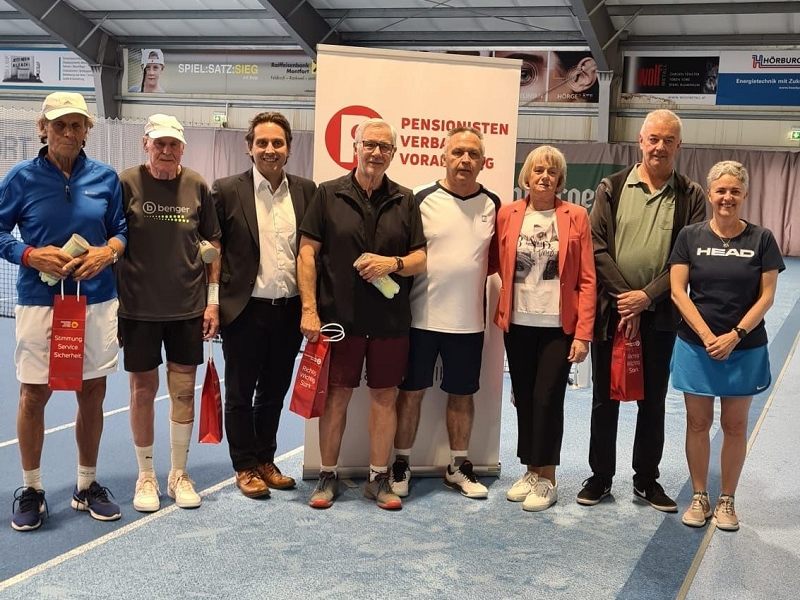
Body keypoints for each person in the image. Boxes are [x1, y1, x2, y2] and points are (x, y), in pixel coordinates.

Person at [0, 92, 127, 531]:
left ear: (88, 130)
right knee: (34, 395)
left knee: (92, 392)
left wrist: (108, 252)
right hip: (40, 303)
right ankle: (32, 489)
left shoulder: (107, 179)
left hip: (96, 302)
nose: (69, 133)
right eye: (60, 125)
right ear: (43, 128)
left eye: (77, 125)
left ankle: (86, 485)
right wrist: (29, 254)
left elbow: (122, 232)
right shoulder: (20, 178)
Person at [579, 109, 706, 512]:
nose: (660, 146)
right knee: (605, 397)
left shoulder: (692, 195)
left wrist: (647, 298)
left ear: (679, 145)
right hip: (612, 311)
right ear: (640, 140)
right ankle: (600, 477)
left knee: (652, 401)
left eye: (668, 140)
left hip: (662, 315)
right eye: (654, 138)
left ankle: (646, 480)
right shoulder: (611, 187)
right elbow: (596, 247)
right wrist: (625, 298)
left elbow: (688, 257)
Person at [297, 118, 426, 510]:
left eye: (385, 147)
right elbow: (306, 254)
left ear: (393, 154)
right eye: (370, 144)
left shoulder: (405, 199)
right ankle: (327, 475)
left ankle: (378, 479)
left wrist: (393, 263)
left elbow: (421, 258)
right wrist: (309, 310)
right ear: (356, 148)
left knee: (385, 397)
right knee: (335, 397)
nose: (376, 153)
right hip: (338, 321)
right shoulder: (327, 194)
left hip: (389, 322)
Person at [669, 161, 784, 531]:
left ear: (745, 195)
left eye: (735, 191)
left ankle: (727, 499)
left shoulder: (762, 239)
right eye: (721, 190)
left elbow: (766, 297)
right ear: (709, 193)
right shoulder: (690, 236)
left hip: (744, 348)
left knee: (735, 425)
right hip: (696, 346)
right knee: (698, 422)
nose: (727, 197)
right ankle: (700, 496)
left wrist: (734, 335)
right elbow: (677, 291)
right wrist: (706, 337)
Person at [117, 114, 221, 513]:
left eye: (173, 144)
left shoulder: (197, 185)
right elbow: (113, 238)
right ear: (145, 144)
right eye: (159, 143)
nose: (166, 151)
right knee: (142, 391)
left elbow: (212, 242)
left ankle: (179, 473)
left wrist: (212, 300)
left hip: (187, 309)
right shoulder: (125, 183)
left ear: (182, 148)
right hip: (138, 310)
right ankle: (146, 475)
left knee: (181, 391)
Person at [390, 127, 498, 500]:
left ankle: (457, 466)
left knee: (462, 396)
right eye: (458, 152)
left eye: (472, 154)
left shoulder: (492, 204)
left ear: (483, 162)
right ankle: (401, 463)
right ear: (443, 156)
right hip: (420, 319)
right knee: (411, 393)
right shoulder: (419, 197)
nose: (464, 160)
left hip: (469, 324)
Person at [212, 112, 316, 499]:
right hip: (244, 311)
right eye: (262, 143)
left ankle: (266, 460)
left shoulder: (307, 191)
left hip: (289, 311)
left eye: (278, 143)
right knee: (239, 394)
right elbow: (214, 251)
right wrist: (212, 304)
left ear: (289, 148)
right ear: (249, 147)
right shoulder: (225, 190)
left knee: (274, 391)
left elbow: (309, 255)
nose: (270, 150)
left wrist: (310, 307)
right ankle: (244, 466)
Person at [494, 145, 595, 511]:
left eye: (552, 171)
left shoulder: (576, 217)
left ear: (560, 179)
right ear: (526, 176)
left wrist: (583, 333)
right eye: (538, 169)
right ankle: (532, 470)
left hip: (558, 326)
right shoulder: (508, 214)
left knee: (548, 399)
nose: (544, 176)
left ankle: (549, 477)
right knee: (523, 398)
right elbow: (496, 260)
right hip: (518, 323)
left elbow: (586, 278)